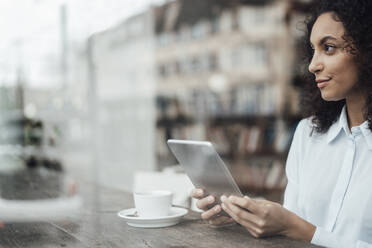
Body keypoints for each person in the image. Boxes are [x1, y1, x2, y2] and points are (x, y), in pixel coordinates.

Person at [191, 0, 372, 247]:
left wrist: (299, 229)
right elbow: (290, 226)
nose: (312, 65)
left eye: (329, 48)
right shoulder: (308, 134)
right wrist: (243, 217)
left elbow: (296, 227)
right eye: (313, 50)